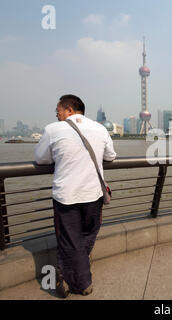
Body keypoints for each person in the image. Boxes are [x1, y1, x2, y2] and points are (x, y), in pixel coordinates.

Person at [35, 95, 117, 298]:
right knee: (88, 233)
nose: (57, 114)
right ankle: (77, 266)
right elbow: (111, 156)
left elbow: (41, 158)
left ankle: (81, 283)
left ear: (69, 110)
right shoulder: (100, 128)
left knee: (69, 240)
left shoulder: (53, 129)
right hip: (94, 195)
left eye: (58, 110)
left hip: (67, 197)